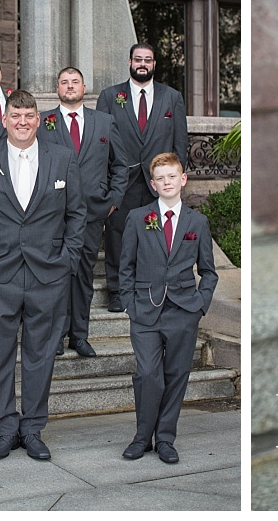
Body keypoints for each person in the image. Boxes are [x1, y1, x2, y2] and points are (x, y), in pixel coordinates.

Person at [0, 89, 86, 461]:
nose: (22, 122)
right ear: (5, 119)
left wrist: (68, 260)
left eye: (29, 116)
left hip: (49, 273)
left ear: (38, 120)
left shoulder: (62, 158)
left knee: (41, 354)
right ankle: (3, 427)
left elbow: (77, 214)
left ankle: (32, 427)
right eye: (15, 116)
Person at [117, 152, 218, 464]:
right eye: (160, 178)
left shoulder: (197, 222)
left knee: (176, 375)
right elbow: (126, 266)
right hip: (145, 310)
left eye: (172, 176)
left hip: (183, 310)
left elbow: (209, 271)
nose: (166, 182)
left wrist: (199, 305)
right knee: (148, 374)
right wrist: (130, 305)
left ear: (182, 179)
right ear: (153, 184)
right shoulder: (138, 218)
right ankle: (141, 437)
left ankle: (165, 439)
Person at [40, 67, 131, 358]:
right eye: (64, 82)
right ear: (57, 89)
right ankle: (55, 336)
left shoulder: (104, 122)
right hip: (52, 215)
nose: (69, 86)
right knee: (55, 276)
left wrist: (113, 200)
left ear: (84, 87)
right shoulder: (44, 122)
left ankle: (79, 336)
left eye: (74, 82)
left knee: (83, 276)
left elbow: (120, 165)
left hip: (92, 214)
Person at [97, 43, 189, 312]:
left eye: (147, 60)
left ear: (154, 65)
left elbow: (179, 142)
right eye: (138, 59)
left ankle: (152, 290)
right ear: (129, 62)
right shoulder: (110, 96)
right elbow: (101, 142)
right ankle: (117, 292)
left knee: (156, 239)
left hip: (158, 182)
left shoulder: (171, 97)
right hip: (121, 181)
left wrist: (175, 178)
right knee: (117, 236)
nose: (142, 64)